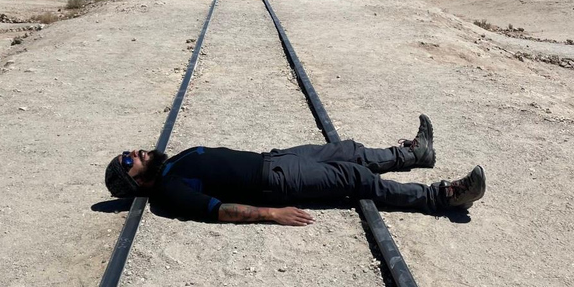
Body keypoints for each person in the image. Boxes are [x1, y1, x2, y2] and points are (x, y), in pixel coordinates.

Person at [104, 115, 486, 226]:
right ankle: (444, 197)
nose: (132, 152)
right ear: (134, 181)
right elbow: (218, 211)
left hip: (275, 159)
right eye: (128, 160)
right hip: (276, 182)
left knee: (348, 151)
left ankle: (416, 155)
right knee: (355, 179)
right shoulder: (168, 193)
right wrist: (272, 214)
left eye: (127, 153)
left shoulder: (171, 164)